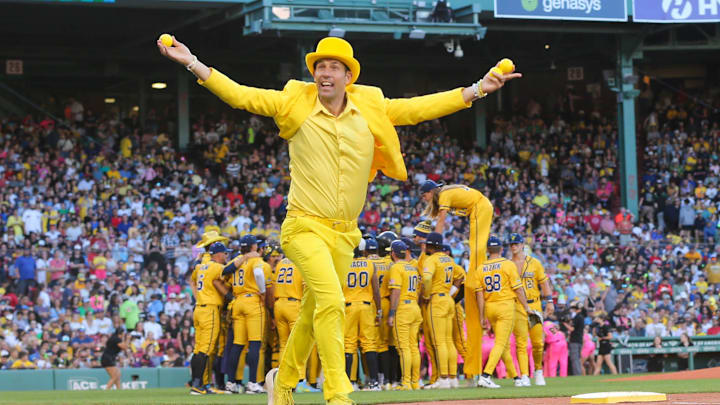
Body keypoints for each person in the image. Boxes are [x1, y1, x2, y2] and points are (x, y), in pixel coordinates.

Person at [158, 34, 519, 405]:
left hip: (345, 234)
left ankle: (282, 382)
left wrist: (478, 88)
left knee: (314, 311)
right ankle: (337, 395)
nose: (325, 73)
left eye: (334, 67)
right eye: (320, 66)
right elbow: (239, 94)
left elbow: (419, 108)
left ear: (349, 76)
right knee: (332, 302)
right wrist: (191, 61)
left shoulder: (370, 104)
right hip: (303, 226)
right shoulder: (292, 102)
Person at [421, 181, 494, 381]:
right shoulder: (444, 193)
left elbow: (442, 219)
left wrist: (434, 239)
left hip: (481, 206)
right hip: (478, 207)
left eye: (424, 195)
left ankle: (477, 273)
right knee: (450, 341)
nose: (424, 199)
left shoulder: (443, 195)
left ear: (430, 192)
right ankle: (454, 376)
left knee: (477, 246)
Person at [475, 235, 531, 389]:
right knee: (501, 343)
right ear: (501, 249)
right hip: (505, 305)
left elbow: (479, 296)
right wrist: (526, 307)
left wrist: (482, 315)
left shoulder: (480, 268)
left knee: (504, 345)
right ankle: (485, 376)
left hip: (490, 306)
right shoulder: (507, 265)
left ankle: (516, 377)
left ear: (487, 249)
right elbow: (518, 289)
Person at [189, 242, 236, 395]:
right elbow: (229, 269)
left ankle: (198, 384)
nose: (226, 256)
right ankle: (197, 385)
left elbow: (193, 281)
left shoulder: (200, 267)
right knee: (206, 349)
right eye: (224, 253)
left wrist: (197, 297)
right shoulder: (215, 266)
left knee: (198, 349)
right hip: (209, 309)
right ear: (217, 254)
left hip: (199, 308)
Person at [508, 233, 554, 386]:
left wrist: (549, 301)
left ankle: (538, 371)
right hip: (517, 306)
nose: (513, 246)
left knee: (538, 343)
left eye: (516, 244)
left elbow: (544, 283)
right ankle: (524, 375)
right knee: (521, 343)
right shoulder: (507, 264)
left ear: (522, 245)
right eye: (511, 244)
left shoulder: (535, 263)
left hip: (534, 305)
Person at [421, 232, 459, 389]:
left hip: (436, 300)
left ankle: (443, 378)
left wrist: (426, 294)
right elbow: (460, 276)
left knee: (440, 341)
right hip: (448, 300)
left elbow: (427, 278)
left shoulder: (431, 259)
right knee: (449, 341)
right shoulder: (449, 259)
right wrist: (450, 292)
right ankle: (452, 377)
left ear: (430, 245)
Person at [343, 239, 382, 391]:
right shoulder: (370, 264)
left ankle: (348, 382)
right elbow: (376, 290)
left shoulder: (343, 263)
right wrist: (379, 310)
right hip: (366, 307)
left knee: (349, 345)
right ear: (364, 250)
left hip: (349, 307)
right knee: (369, 344)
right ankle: (374, 382)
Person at [387, 240, 423, 390]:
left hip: (403, 309)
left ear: (393, 253)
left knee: (404, 348)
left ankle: (406, 382)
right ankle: (415, 382)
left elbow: (395, 291)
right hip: (414, 307)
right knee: (413, 347)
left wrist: (391, 312)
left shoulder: (396, 267)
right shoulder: (411, 267)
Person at [565, 301, 586, 376]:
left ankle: (577, 374)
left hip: (575, 340)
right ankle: (579, 373)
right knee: (577, 359)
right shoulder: (582, 317)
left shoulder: (577, 317)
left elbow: (572, 329)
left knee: (575, 359)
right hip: (579, 339)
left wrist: (564, 323)